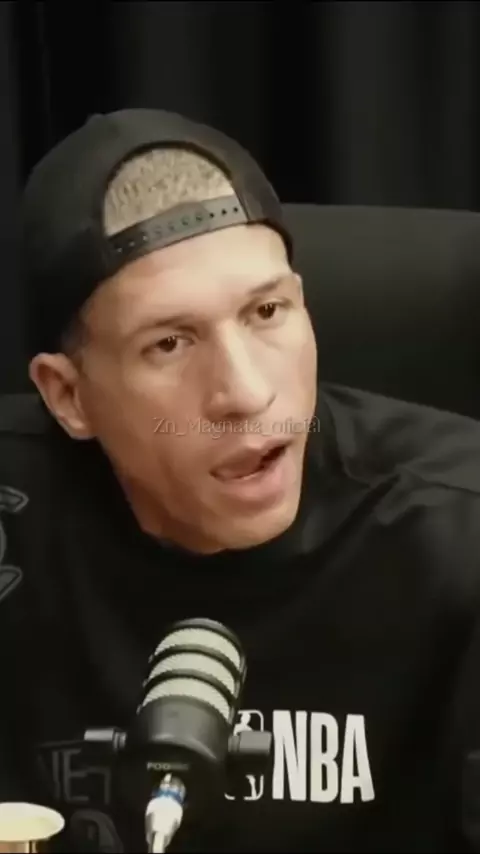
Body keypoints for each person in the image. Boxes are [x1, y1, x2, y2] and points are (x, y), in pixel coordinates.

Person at [1, 107, 480, 854]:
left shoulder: (459, 528)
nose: (247, 392)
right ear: (69, 396)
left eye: (267, 311)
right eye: (169, 342)